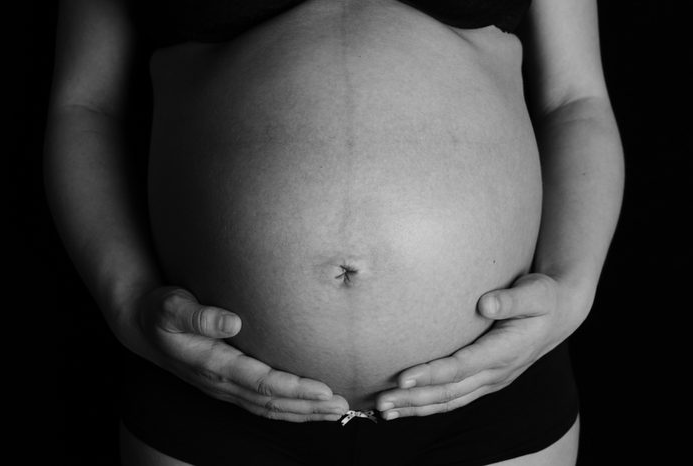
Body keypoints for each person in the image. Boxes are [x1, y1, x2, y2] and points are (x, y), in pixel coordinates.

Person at [44, 0, 624, 464]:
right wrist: (126, 305)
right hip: (204, 386)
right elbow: (84, 106)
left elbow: (576, 99)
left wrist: (572, 292)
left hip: (491, 385)